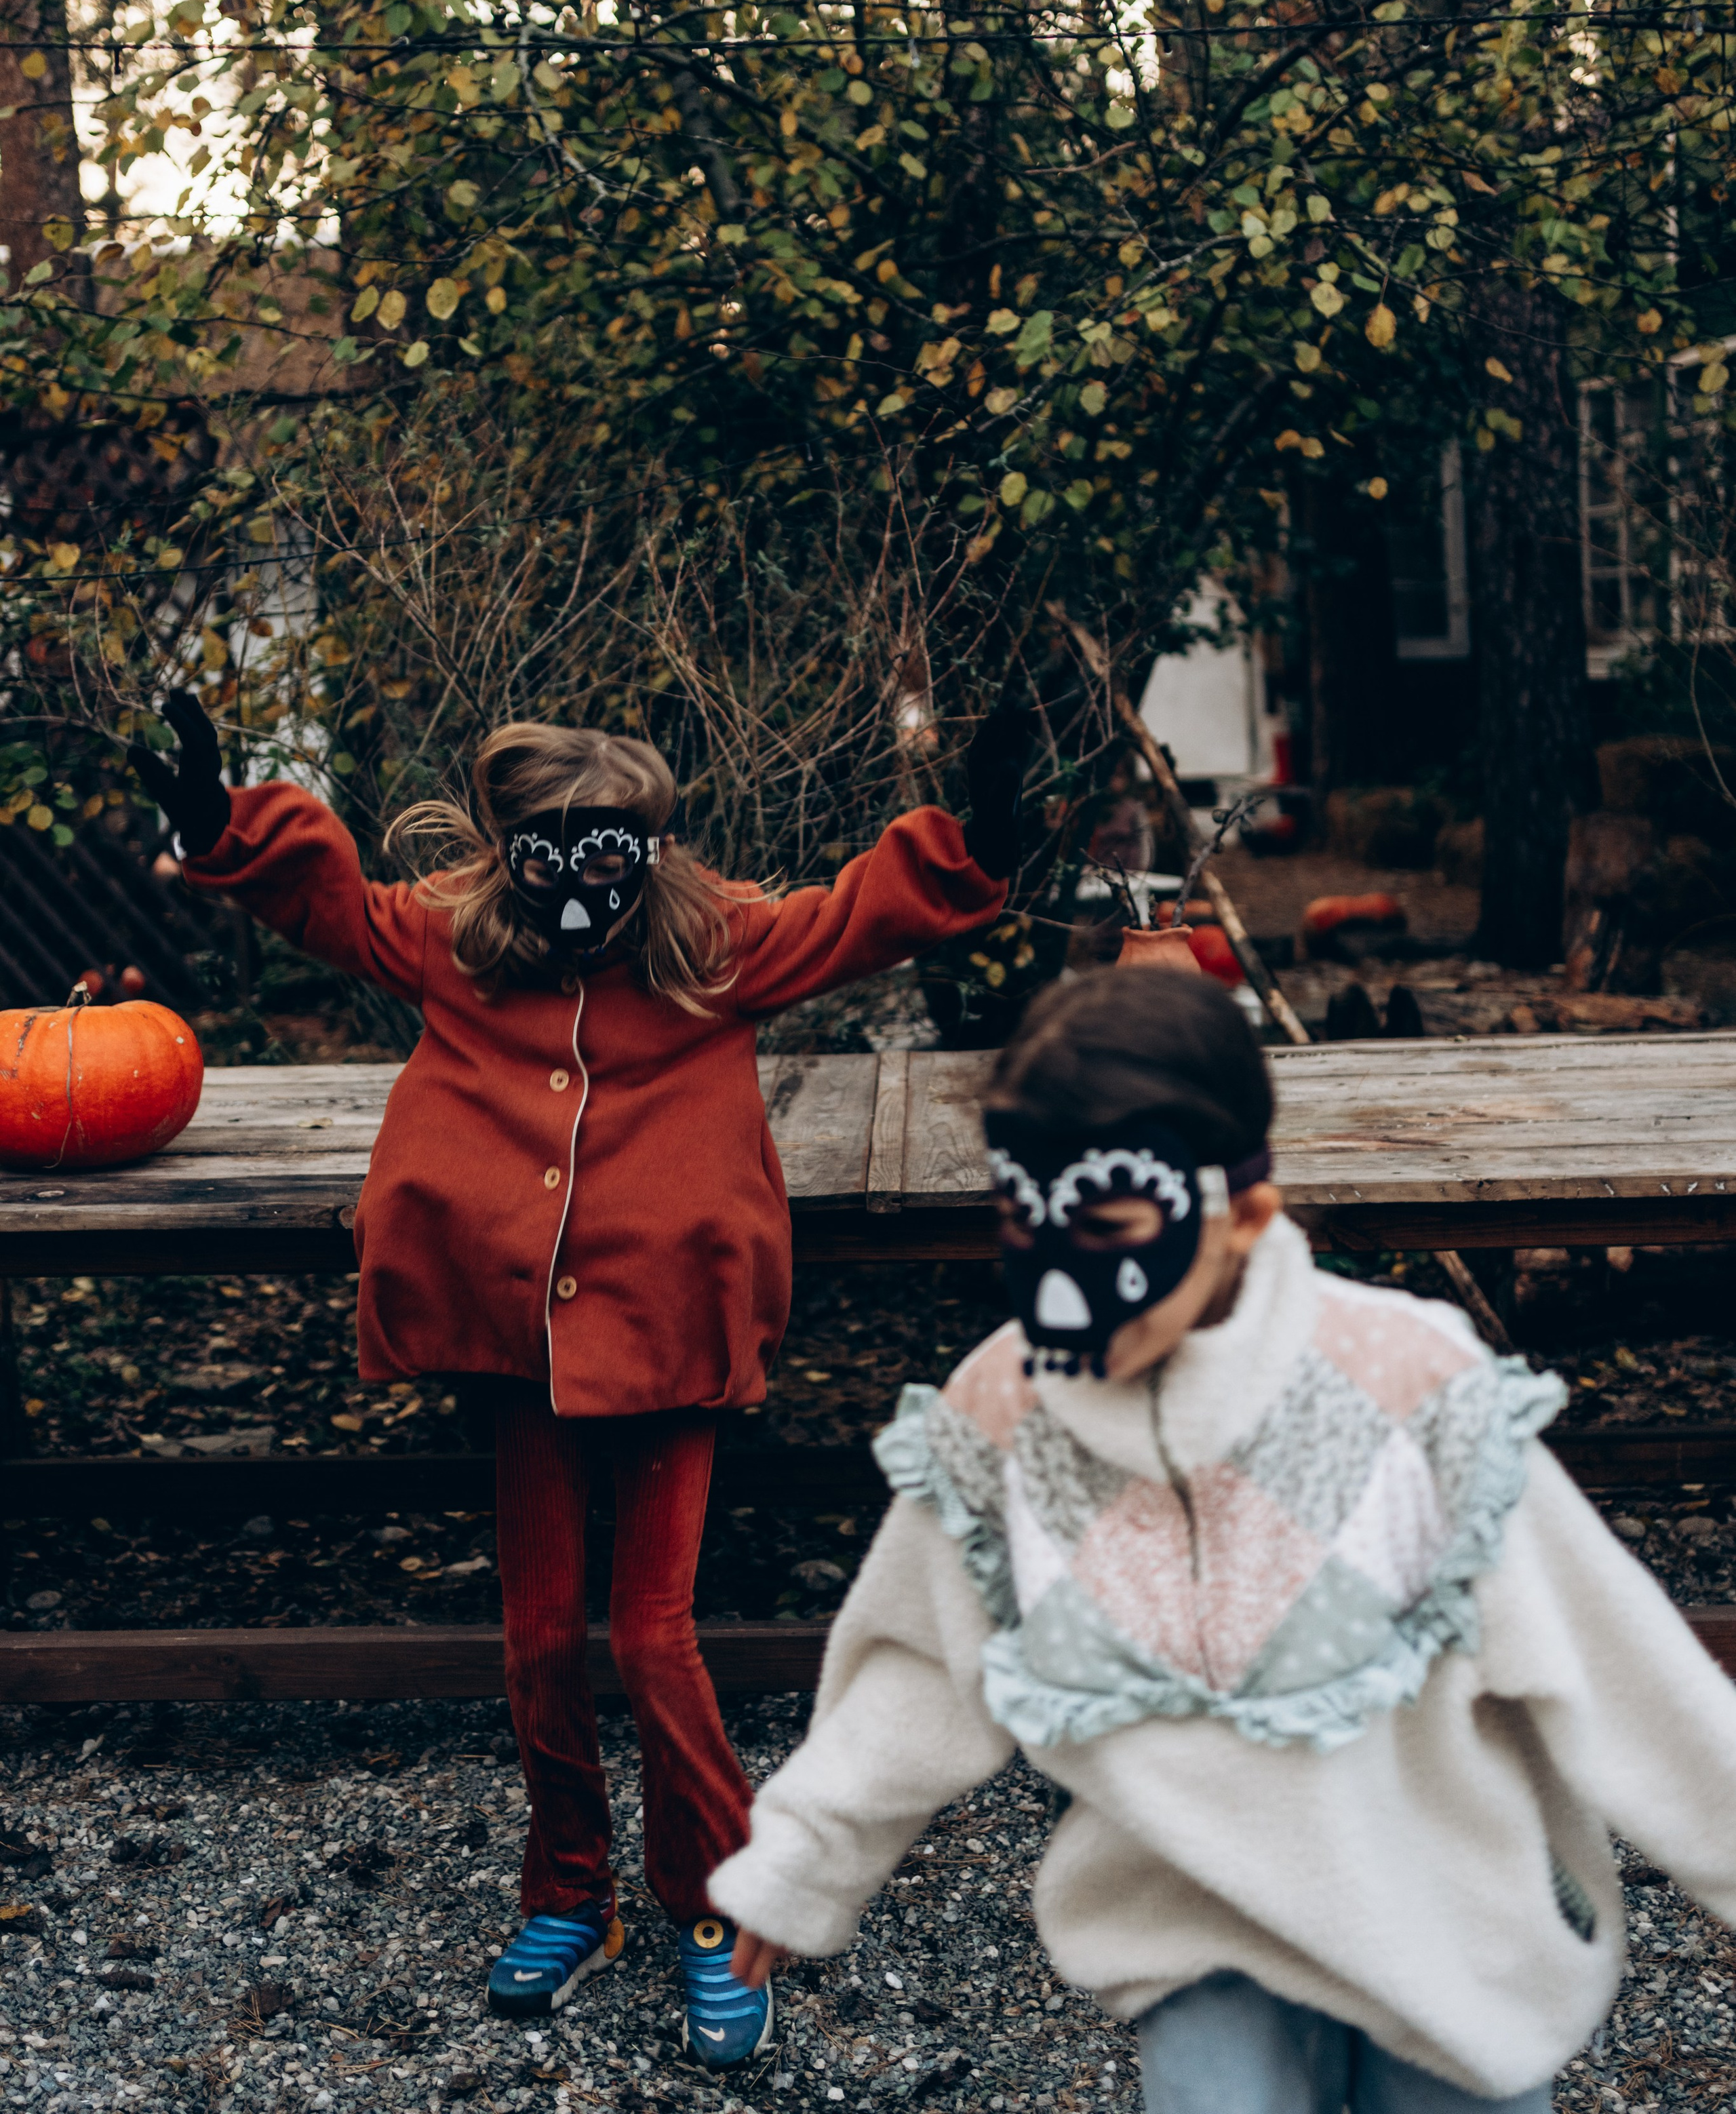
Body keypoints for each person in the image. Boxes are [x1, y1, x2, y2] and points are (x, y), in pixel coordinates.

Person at [129, 692, 1031, 2067]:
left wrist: (975, 843)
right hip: (516, 1344)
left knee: (650, 1632)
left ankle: (729, 1909)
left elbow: (863, 914)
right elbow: (328, 908)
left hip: (665, 1336)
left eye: (610, 850)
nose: (581, 880)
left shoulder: (710, 944)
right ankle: (569, 1890)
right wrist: (217, 824)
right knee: (540, 1634)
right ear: (508, 847)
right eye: (550, 849)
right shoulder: (457, 941)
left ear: (651, 847)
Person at [710, 966, 1736, 2114]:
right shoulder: (1003, 1416)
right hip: (1197, 1922)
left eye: (1108, 1232)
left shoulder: (1413, 1388)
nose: (1061, 1286)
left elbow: (1611, 1655)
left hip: (1439, 1907)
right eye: (1025, 1226)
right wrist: (801, 1863)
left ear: (1243, 1215)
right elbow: (916, 1668)